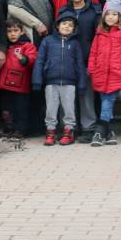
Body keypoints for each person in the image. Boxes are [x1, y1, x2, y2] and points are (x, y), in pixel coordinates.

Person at [32, 9, 87, 146]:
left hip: (70, 82)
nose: (67, 26)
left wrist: (81, 84)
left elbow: (80, 65)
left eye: (70, 25)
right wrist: (37, 80)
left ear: (74, 29)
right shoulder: (47, 41)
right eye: (64, 23)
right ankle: (50, 131)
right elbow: (39, 61)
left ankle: (69, 131)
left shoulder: (75, 44)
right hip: (51, 82)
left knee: (69, 108)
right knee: (51, 108)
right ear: (57, 25)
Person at [58, 0, 102, 143]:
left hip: (87, 57)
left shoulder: (95, 10)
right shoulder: (63, 11)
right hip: (67, 59)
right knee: (67, 95)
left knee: (86, 94)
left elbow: (99, 35)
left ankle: (88, 127)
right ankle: (69, 127)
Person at [87, 0, 121, 147]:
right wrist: (92, 69)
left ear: (119, 17)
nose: (110, 17)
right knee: (105, 102)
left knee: (107, 101)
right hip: (100, 75)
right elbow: (93, 52)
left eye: (114, 14)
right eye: (108, 14)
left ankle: (99, 132)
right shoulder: (99, 33)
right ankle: (110, 133)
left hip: (116, 75)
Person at [0, 21, 38, 139]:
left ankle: (21, 130)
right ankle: (9, 128)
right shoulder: (5, 47)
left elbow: (33, 58)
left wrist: (24, 59)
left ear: (22, 32)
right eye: (9, 31)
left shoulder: (27, 46)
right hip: (5, 85)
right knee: (7, 109)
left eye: (15, 31)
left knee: (21, 109)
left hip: (21, 86)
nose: (12, 34)